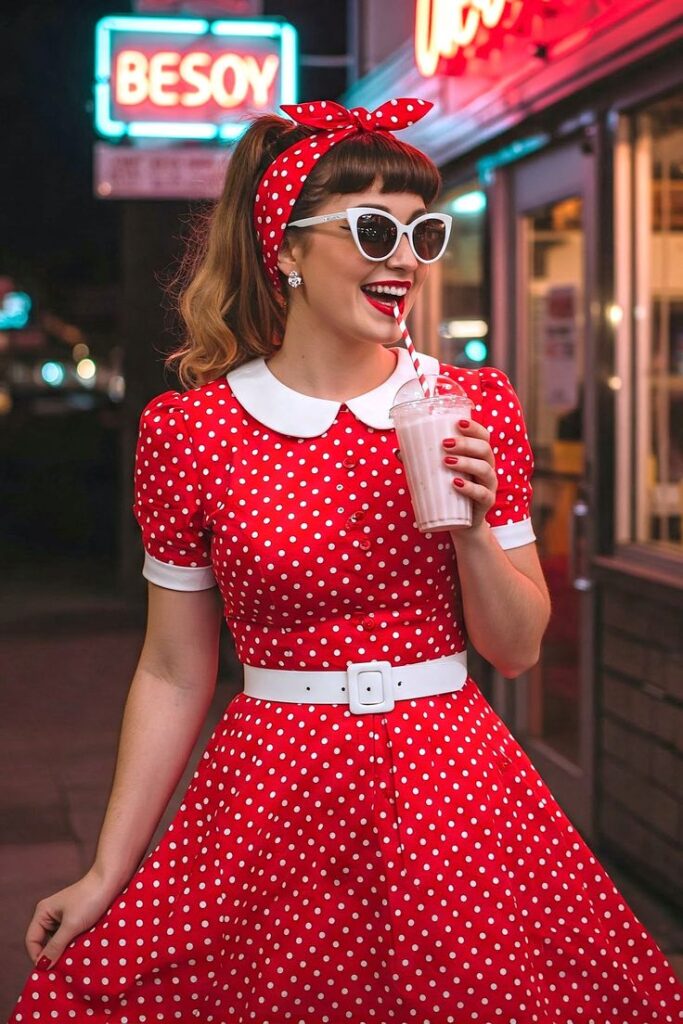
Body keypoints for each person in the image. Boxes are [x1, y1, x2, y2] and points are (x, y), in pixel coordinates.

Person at [8, 97, 683, 1024]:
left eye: (422, 232)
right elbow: (172, 670)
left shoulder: (470, 403)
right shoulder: (192, 430)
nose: (404, 257)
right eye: (373, 229)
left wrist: (475, 529)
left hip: (448, 782)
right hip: (268, 792)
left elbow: (518, 649)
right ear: (284, 250)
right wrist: (105, 871)